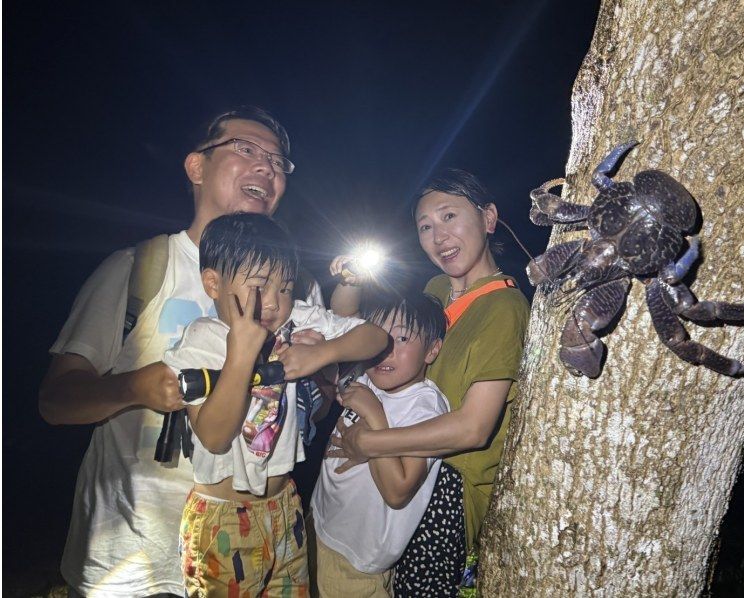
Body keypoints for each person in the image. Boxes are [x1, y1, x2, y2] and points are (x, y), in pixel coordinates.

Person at [39, 107, 321, 597]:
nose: (268, 168)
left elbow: (304, 407)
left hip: (256, 555)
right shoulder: (139, 268)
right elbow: (55, 401)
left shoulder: (296, 289)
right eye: (247, 150)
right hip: (134, 563)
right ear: (196, 167)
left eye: (278, 162)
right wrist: (132, 387)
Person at [162, 213, 388, 596]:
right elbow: (215, 437)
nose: (274, 302)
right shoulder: (205, 339)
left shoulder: (295, 321)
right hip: (224, 516)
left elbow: (375, 338)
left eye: (284, 288)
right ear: (213, 283)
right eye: (259, 286)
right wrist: (241, 355)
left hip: (285, 505)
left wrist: (321, 355)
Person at [328, 168, 530, 596]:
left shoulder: (505, 308)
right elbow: (359, 345)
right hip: (396, 460)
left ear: (488, 218)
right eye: (425, 226)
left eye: (450, 216)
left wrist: (370, 440)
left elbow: (473, 429)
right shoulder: (435, 289)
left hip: (446, 488)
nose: (439, 236)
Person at [311, 291, 449, 597]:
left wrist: (374, 415)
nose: (386, 349)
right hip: (320, 524)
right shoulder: (367, 376)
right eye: (380, 337)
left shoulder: (425, 407)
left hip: (357, 561)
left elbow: (398, 491)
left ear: (432, 349)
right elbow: (343, 317)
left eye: (401, 339)